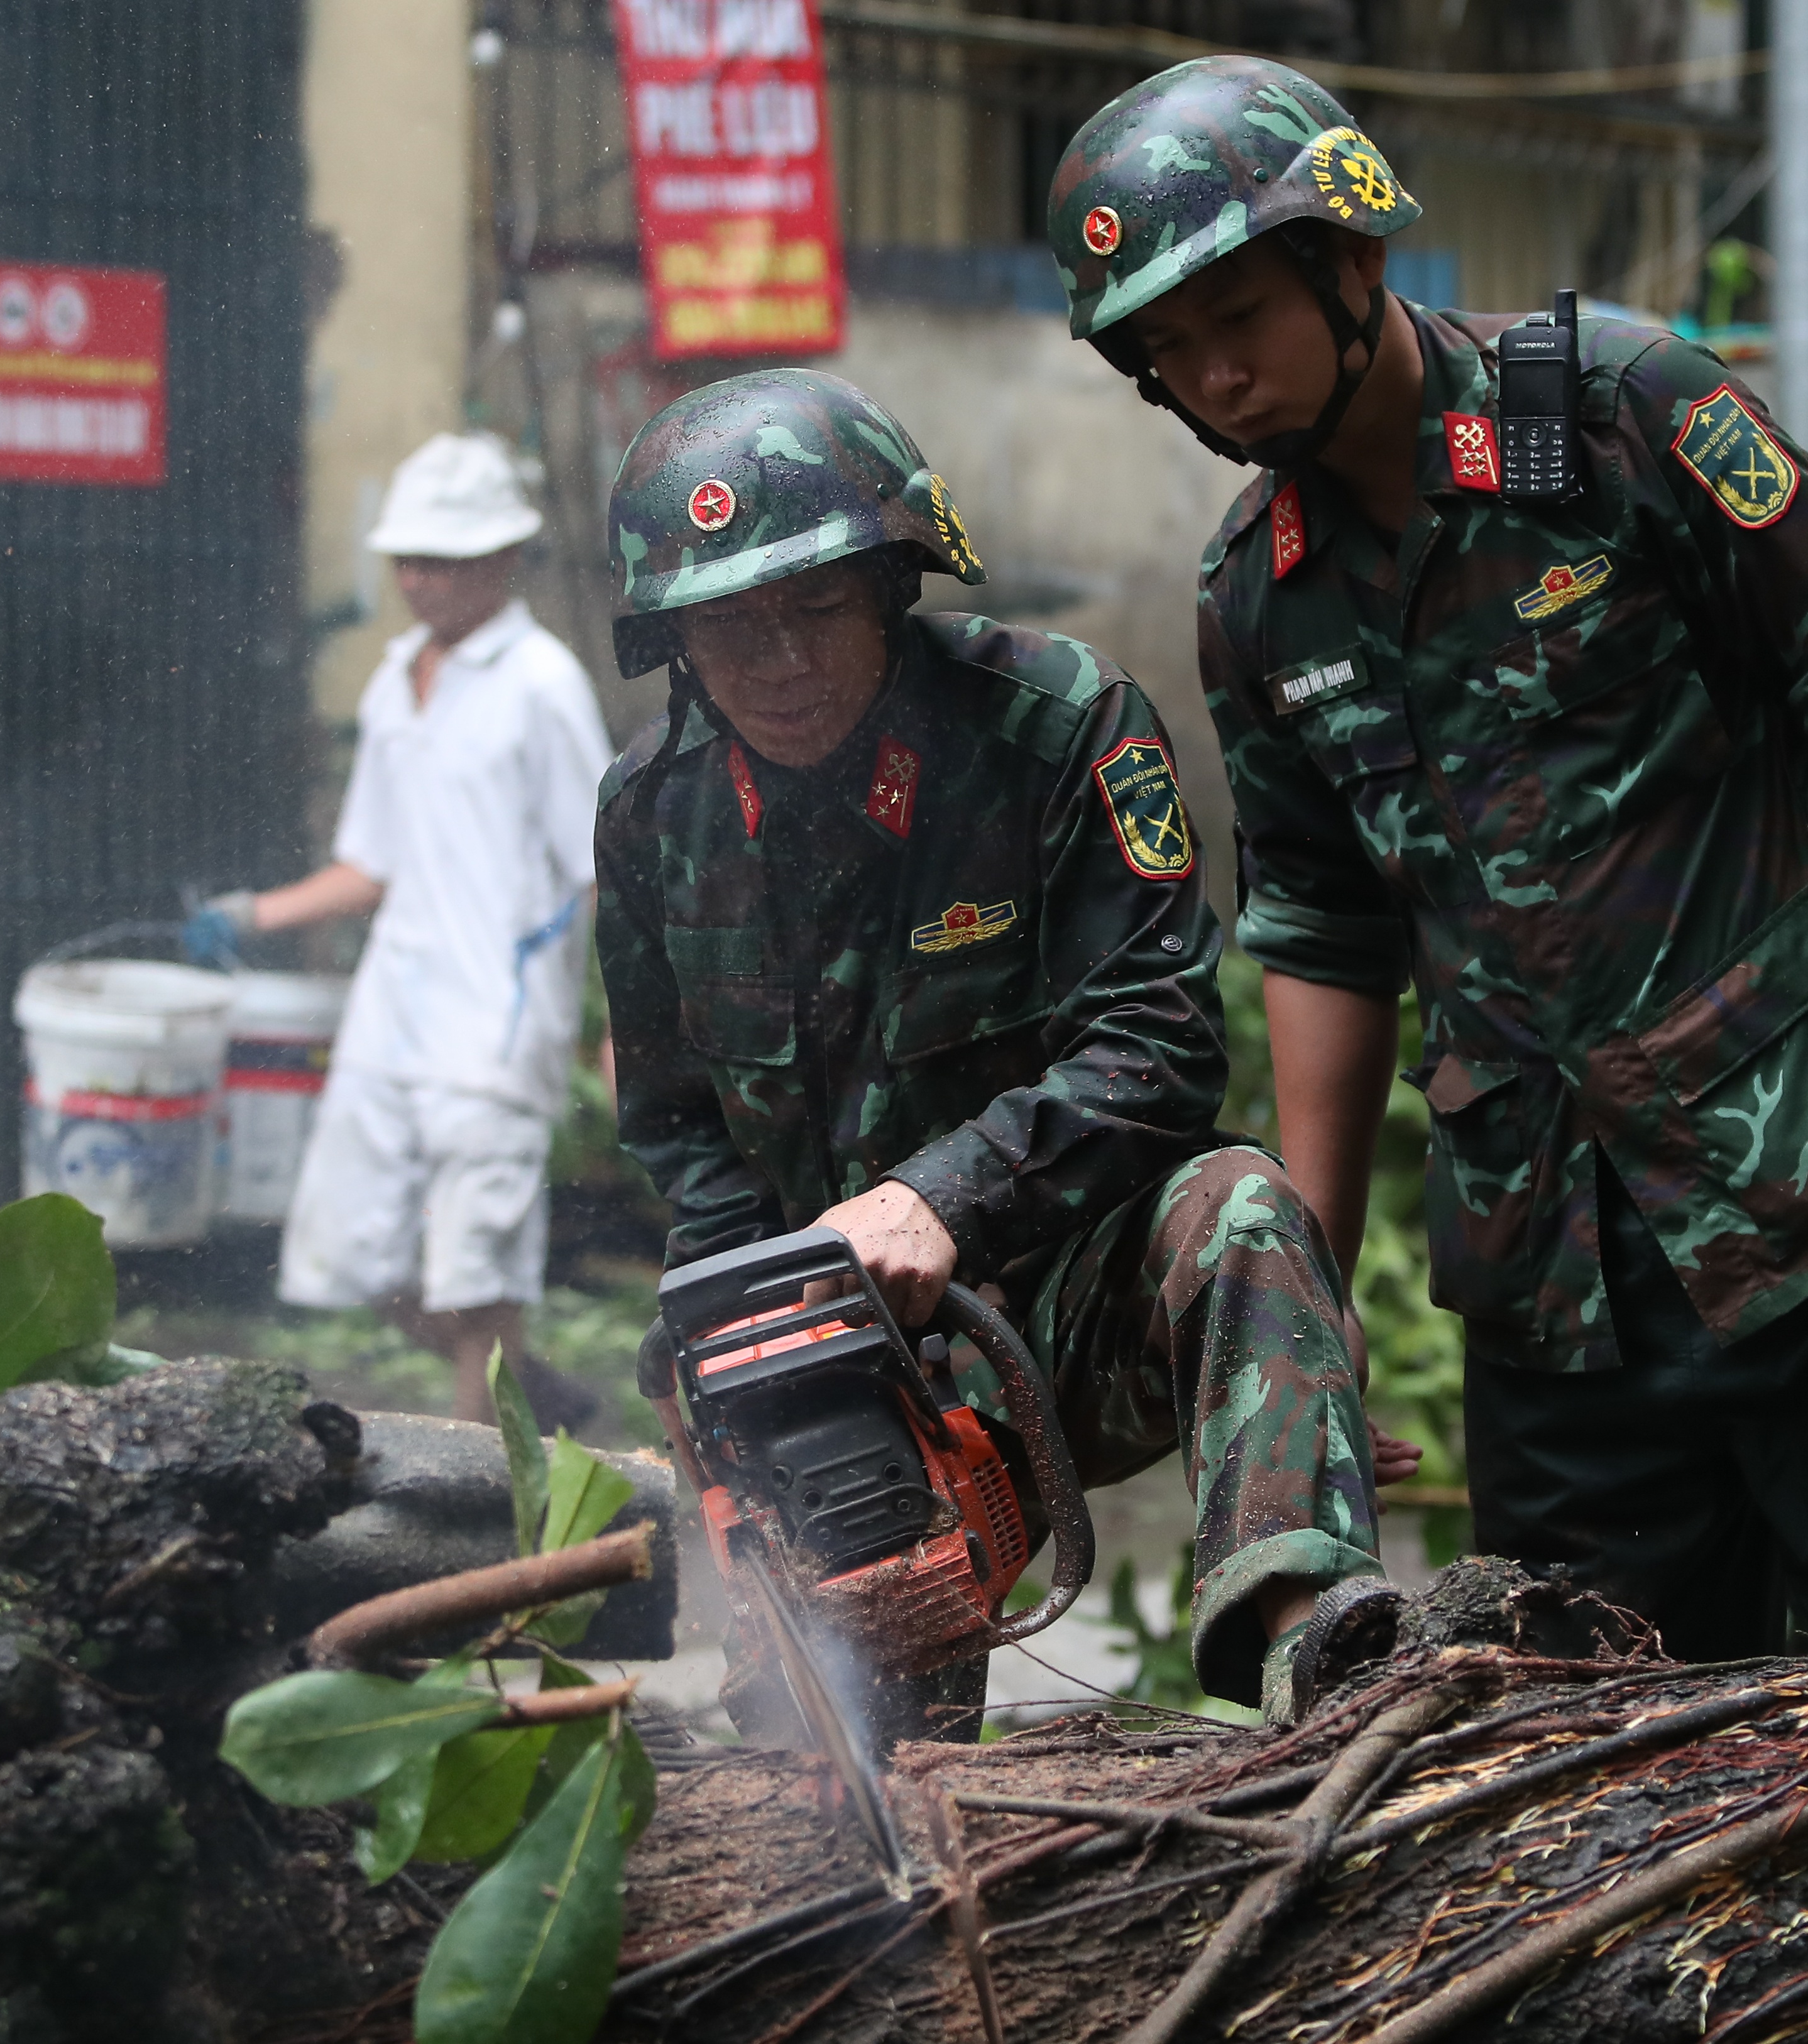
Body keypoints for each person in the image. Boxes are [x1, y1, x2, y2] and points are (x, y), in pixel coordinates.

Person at [1043, 60, 1808, 1659]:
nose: (1215, 374)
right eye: (1168, 350)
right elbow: (1324, 936)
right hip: (1556, 1291)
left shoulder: (1622, 413)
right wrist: (1318, 1294)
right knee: (1592, 1759)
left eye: (1239, 318)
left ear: (1353, 261)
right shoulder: (1255, 601)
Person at [596, 368, 1423, 1725]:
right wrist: (747, 1352)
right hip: (840, 1373)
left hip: (1066, 1296)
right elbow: (680, 1131)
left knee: (1240, 1206)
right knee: (845, 1790)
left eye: (815, 607)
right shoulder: (649, 815)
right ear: (673, 645)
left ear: (892, 584)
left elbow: (1159, 1042)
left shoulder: (1056, 727)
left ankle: (1319, 1667)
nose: (784, 663)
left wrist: (941, 1200)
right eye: (733, 630)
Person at [186, 432, 611, 1429]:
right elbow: (370, 863)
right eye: (408, 559)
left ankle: (473, 1497)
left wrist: (616, 1020)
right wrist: (253, 914)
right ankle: (530, 1397)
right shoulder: (393, 681)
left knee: (477, 1268)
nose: (419, 580)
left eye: (443, 560)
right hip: (395, 1009)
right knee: (353, 1252)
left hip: (499, 1024)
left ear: (503, 558)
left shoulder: (541, 685)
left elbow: (603, 868)